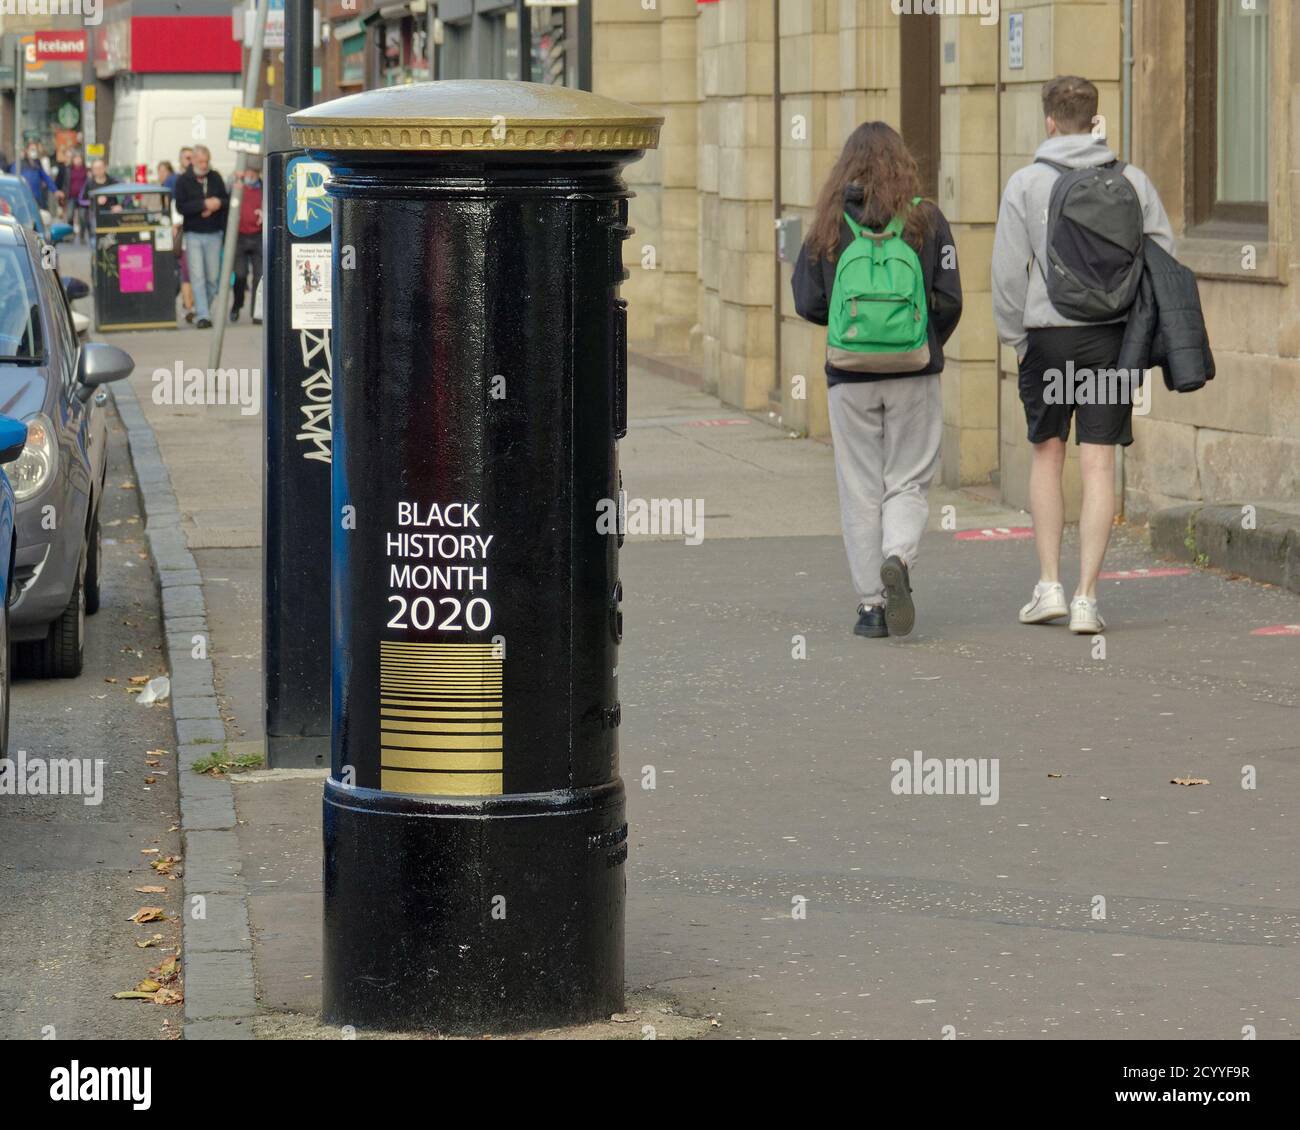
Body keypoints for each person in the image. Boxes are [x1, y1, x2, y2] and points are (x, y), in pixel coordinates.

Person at [992, 75, 1174, 635]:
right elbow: (1162, 256)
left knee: (1047, 454)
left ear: (1050, 120)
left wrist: (1018, 340)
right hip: (1110, 341)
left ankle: (1048, 585)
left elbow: (1006, 274)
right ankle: (1087, 599)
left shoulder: (1026, 183)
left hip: (1049, 340)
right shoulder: (1132, 180)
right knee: (1099, 463)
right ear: (1095, 119)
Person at [793, 122, 962, 639]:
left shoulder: (829, 221)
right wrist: (922, 343)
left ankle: (871, 608)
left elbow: (807, 300)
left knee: (860, 487)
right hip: (914, 372)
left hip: (849, 375)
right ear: (902, 163)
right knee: (908, 478)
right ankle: (898, 557)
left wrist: (853, 332)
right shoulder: (926, 219)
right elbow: (950, 298)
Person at [172, 145, 229, 329]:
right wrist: (203, 204)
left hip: (214, 233)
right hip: (194, 233)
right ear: (194, 160)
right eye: (201, 161)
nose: (204, 165)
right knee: (197, 277)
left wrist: (217, 203)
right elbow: (181, 207)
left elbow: (226, 200)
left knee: (213, 278)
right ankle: (204, 315)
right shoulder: (183, 180)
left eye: (207, 161)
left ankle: (202, 308)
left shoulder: (215, 177)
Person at [230, 163, 263, 325]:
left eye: (254, 172)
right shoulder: (237, 187)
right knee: (240, 274)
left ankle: (256, 313)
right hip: (240, 237)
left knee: (259, 276)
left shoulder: (265, 189)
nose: (251, 175)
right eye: (248, 171)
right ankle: (237, 304)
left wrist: (265, 212)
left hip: (258, 236)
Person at [12, 143, 62, 212]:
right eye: (32, 149)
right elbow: (14, 178)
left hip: (36, 197)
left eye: (35, 150)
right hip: (23, 198)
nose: (34, 152)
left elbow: (46, 177)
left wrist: (55, 190)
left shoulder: (37, 164)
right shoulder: (19, 164)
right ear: (26, 151)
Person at [66, 151, 88, 237]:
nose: (78, 160)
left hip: (83, 197)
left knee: (82, 216)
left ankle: (82, 234)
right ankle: (70, 233)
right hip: (71, 196)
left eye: (79, 158)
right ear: (73, 160)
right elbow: (66, 183)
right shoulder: (69, 169)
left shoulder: (85, 170)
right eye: (76, 158)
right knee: (70, 216)